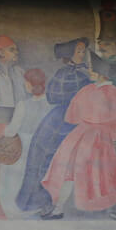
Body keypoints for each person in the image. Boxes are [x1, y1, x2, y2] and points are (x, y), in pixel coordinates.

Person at [16, 39, 103, 215]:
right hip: (58, 122)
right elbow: (52, 96)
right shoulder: (64, 73)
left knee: (65, 167)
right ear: (69, 55)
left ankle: (56, 205)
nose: (83, 55)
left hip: (78, 122)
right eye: (79, 51)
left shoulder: (88, 74)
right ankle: (38, 203)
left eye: (83, 51)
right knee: (42, 160)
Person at [40, 79, 116, 217]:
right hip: (84, 136)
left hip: (94, 136)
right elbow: (73, 114)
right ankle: (58, 208)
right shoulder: (89, 88)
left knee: (106, 175)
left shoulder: (109, 91)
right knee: (68, 171)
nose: (91, 72)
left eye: (93, 68)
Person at [0, 68, 49, 218]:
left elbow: (12, 130)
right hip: (42, 146)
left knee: (13, 175)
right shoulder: (50, 104)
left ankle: (13, 209)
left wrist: (5, 132)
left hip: (24, 145)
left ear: (30, 84)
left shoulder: (24, 105)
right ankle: (35, 207)